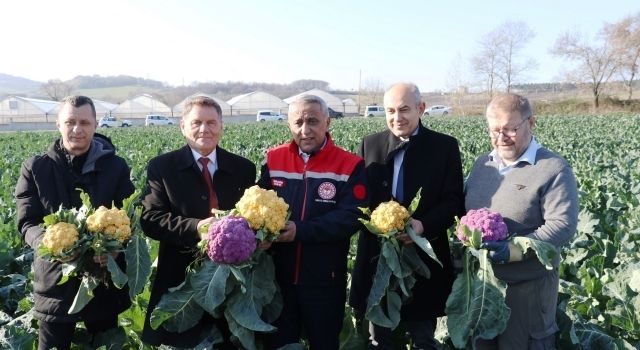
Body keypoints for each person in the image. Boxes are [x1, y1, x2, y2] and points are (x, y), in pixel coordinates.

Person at [349, 83, 464, 350]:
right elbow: (358, 198)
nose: (396, 118)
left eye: (404, 110)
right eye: (390, 111)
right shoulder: (370, 144)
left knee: (423, 337)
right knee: (378, 339)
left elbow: (453, 200)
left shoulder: (443, 147)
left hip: (423, 257)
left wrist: (422, 225)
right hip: (378, 261)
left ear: (420, 109)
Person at [15, 95, 135, 350]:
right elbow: (27, 222)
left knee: (104, 344)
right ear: (58, 124)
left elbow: (130, 217)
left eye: (84, 122)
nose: (77, 129)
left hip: (103, 281)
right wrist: (52, 244)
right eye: (70, 121)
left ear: (95, 125)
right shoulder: (35, 168)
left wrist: (114, 248)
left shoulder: (116, 167)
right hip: (55, 282)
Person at [140, 96, 256, 348]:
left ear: (221, 126)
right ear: (183, 126)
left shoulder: (244, 169)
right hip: (180, 280)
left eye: (212, 122)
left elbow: (254, 218)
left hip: (233, 282)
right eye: (197, 122)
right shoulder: (162, 168)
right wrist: (196, 228)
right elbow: (150, 219)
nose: (204, 129)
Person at [465, 93, 579, 349]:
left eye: (510, 129)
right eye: (494, 130)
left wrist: (515, 250)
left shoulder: (553, 168)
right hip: (483, 289)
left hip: (527, 291)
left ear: (531, 123)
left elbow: (562, 225)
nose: (500, 138)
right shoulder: (482, 164)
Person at [257, 94, 368, 349]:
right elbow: (258, 204)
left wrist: (300, 231)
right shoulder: (273, 160)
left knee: (324, 343)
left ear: (327, 123)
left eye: (313, 121)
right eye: (298, 123)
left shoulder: (350, 164)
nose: (305, 130)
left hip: (324, 282)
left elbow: (352, 217)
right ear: (289, 125)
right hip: (277, 282)